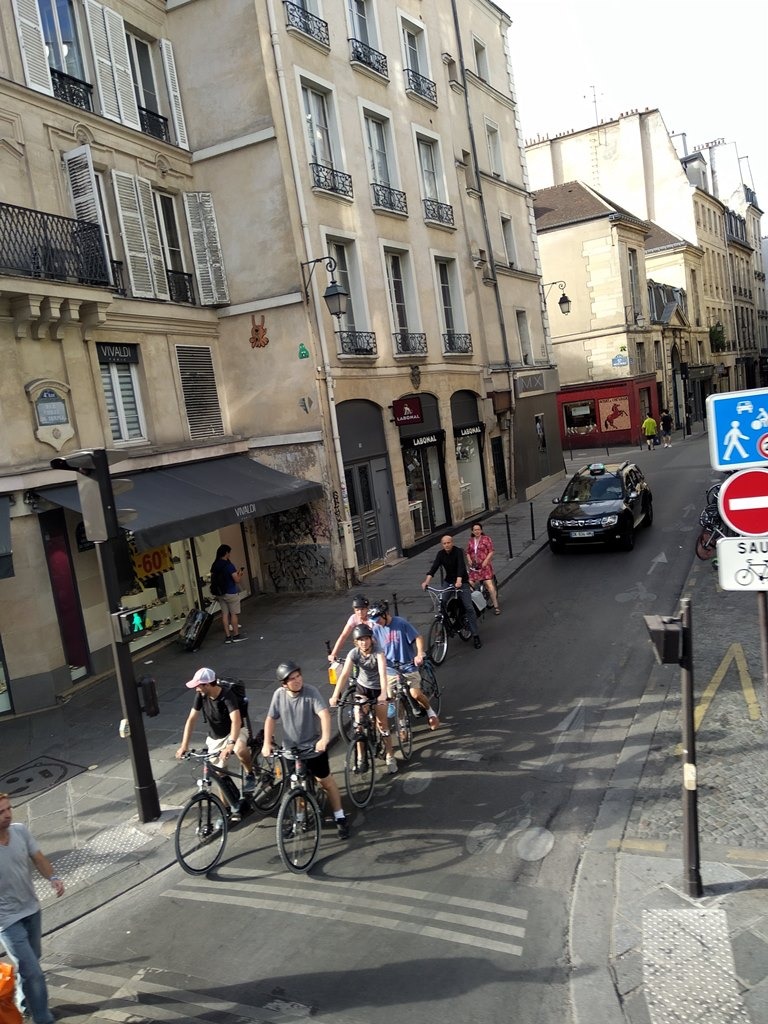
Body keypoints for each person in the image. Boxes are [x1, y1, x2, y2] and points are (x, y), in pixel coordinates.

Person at [262, 661, 350, 839]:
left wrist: (324, 738)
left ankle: (340, 816)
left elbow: (324, 714)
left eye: (298, 676)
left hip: (312, 747)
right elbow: (270, 719)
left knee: (325, 782)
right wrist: (266, 743)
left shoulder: (311, 692)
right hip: (291, 750)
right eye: (292, 679)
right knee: (295, 784)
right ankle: (299, 819)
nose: (297, 681)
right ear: (284, 684)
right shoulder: (279, 695)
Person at [0, 792, 64, 1024]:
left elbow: (38, 857)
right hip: (6, 920)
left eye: (8, 809)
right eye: (1, 812)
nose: (7, 815)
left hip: (31, 908)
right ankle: (42, 1018)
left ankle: (24, 1002)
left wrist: (53, 877)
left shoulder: (19, 831)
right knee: (33, 971)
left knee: (31, 961)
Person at [176, 667, 256, 817]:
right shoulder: (201, 695)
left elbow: (236, 721)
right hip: (215, 737)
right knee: (219, 773)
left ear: (207, 685)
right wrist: (184, 746)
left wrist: (231, 744)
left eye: (198, 685)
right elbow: (191, 719)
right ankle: (226, 810)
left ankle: (250, 773)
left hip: (236, 731)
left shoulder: (227, 695)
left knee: (240, 749)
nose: (196, 689)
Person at [329, 623, 398, 773]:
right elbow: (345, 674)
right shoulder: (354, 653)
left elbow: (382, 672)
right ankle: (361, 758)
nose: (363, 642)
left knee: (383, 725)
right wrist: (335, 694)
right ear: (356, 642)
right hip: (362, 689)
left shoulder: (378, 652)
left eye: (366, 639)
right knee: (358, 725)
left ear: (371, 639)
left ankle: (390, 756)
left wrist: (383, 694)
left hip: (378, 689)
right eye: (360, 640)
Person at [369, 601, 440, 730]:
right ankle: (402, 724)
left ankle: (430, 712)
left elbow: (418, 637)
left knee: (416, 694)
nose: (376, 622)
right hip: (390, 669)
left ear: (385, 615)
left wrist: (419, 654)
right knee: (393, 699)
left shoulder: (401, 623)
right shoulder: (376, 629)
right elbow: (372, 646)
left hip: (407, 666)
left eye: (378, 619)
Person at [421, 534, 481, 649]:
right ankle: (446, 627)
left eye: (448, 543)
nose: (447, 545)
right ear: (442, 545)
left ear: (452, 543)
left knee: (468, 607)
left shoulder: (458, 551)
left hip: (461, 581)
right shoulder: (440, 554)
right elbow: (433, 568)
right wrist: (426, 582)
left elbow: (461, 567)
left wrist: (459, 581)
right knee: (441, 602)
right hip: (449, 581)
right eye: (444, 543)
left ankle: (475, 635)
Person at [210, 544, 246, 643]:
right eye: (229, 552)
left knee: (225, 614)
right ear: (226, 553)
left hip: (220, 593)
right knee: (234, 614)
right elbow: (237, 580)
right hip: (230, 592)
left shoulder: (215, 565)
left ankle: (227, 637)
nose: (230, 554)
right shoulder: (229, 566)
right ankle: (236, 635)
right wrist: (240, 574)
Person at [466, 522, 500, 615]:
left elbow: (491, 551)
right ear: (472, 531)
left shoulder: (486, 539)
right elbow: (468, 552)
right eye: (475, 530)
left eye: (478, 529)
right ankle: (476, 604)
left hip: (484, 566)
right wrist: (469, 560)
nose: (477, 531)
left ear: (481, 530)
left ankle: (496, 606)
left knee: (489, 585)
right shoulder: (471, 541)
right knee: (470, 585)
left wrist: (486, 561)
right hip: (474, 567)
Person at [327, 593, 370, 663]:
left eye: (362, 609)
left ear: (367, 609)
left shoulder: (372, 619)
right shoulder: (354, 618)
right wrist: (334, 653)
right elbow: (343, 635)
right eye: (357, 610)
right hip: (361, 649)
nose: (360, 612)